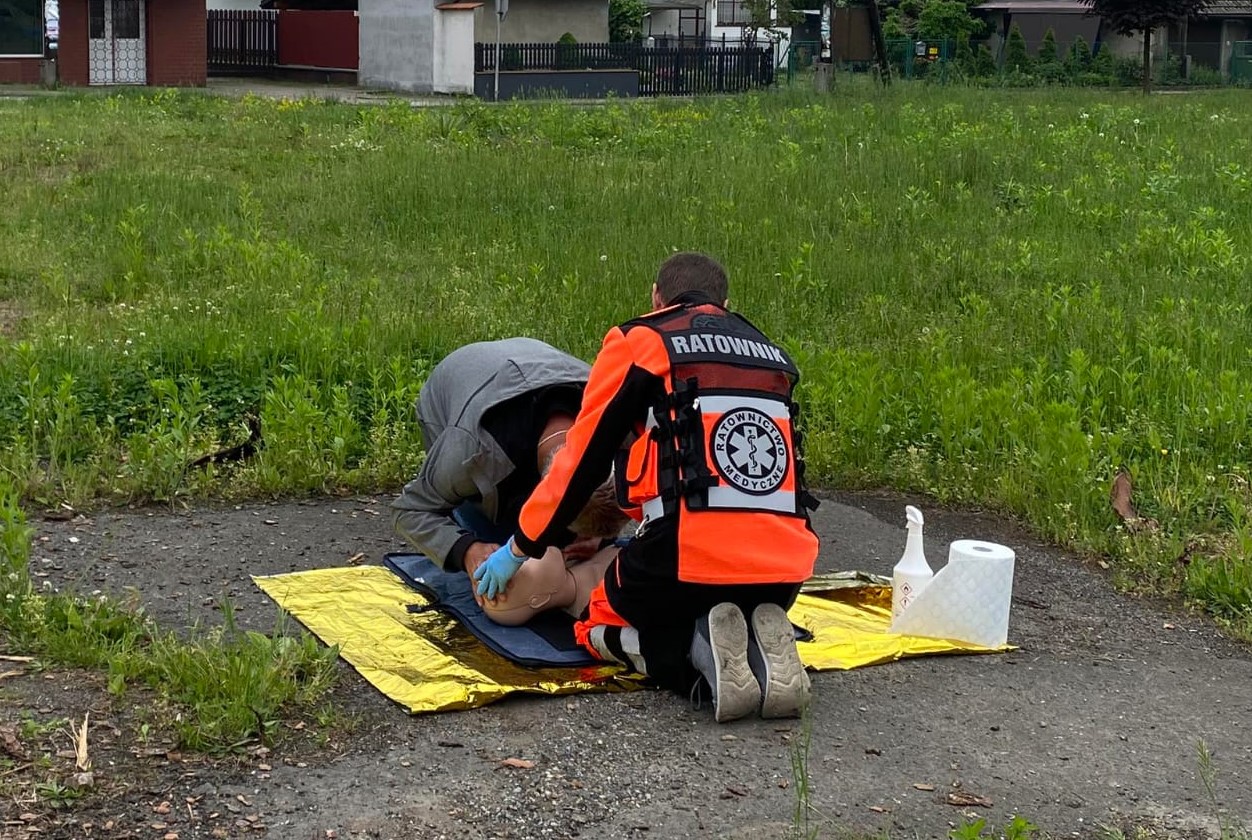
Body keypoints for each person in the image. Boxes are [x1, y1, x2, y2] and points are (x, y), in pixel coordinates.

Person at [473, 253, 821, 722]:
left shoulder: (641, 342)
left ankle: (693, 661)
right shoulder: (771, 355)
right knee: (711, 602)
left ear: (656, 298)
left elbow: (581, 459)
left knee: (594, 624)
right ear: (725, 303)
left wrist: (520, 546)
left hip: (682, 562)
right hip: (784, 574)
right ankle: (760, 648)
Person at [391, 337, 628, 626]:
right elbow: (409, 510)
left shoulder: (621, 419)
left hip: (540, 362)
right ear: (545, 493)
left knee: (552, 546)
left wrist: (597, 537)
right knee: (503, 565)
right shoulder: (469, 451)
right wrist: (467, 551)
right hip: (463, 384)